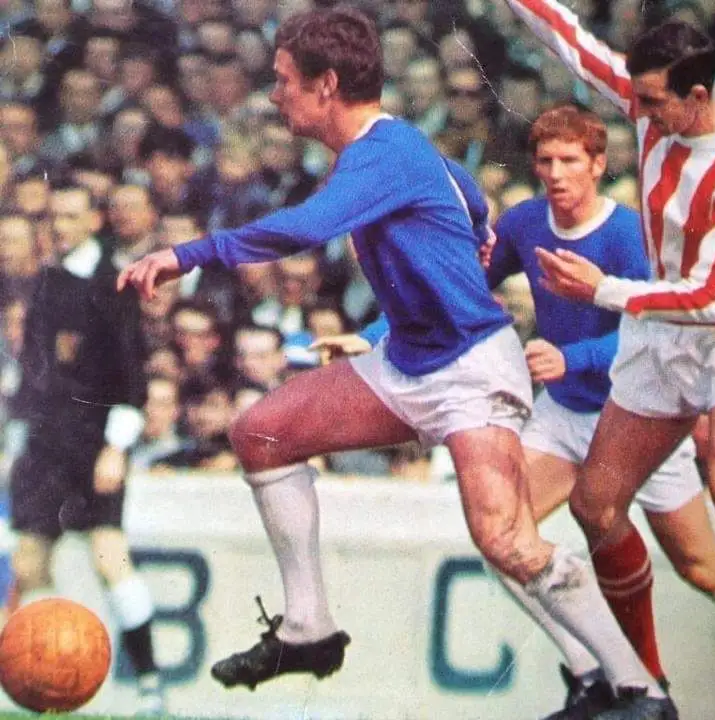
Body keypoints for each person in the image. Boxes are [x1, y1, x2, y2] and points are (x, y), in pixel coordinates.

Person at [117, 7, 669, 715]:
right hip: (408, 361)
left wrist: (186, 254)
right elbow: (465, 190)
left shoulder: (383, 153)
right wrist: (475, 227)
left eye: (284, 81)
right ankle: (308, 627)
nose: (274, 95)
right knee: (262, 432)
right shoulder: (393, 146)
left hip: (471, 369)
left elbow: (307, 227)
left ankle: (639, 688)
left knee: (507, 540)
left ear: (327, 85)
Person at [336, 103, 715, 720]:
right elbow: (455, 288)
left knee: (701, 564)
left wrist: (572, 356)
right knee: (503, 537)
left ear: (599, 165)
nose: (555, 173)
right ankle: (593, 674)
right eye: (545, 161)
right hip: (564, 415)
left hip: (638, 414)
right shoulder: (527, 222)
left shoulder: (629, 234)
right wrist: (372, 336)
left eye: (569, 161)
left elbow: (658, 326)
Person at [500, 5, 715, 719]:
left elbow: (712, 298)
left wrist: (603, 290)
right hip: (661, 331)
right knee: (596, 506)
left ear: (697, 95)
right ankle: (646, 687)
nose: (641, 112)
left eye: (655, 101)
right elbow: (572, 44)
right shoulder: (651, 103)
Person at [7, 181, 166, 714]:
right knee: (29, 561)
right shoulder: (46, 282)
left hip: (94, 443)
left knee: (109, 556)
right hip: (45, 442)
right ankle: (40, 677)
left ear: (95, 221)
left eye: (72, 216)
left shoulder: (111, 286)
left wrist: (116, 448)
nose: (61, 226)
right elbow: (33, 371)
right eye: (55, 217)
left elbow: (132, 377)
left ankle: (150, 683)